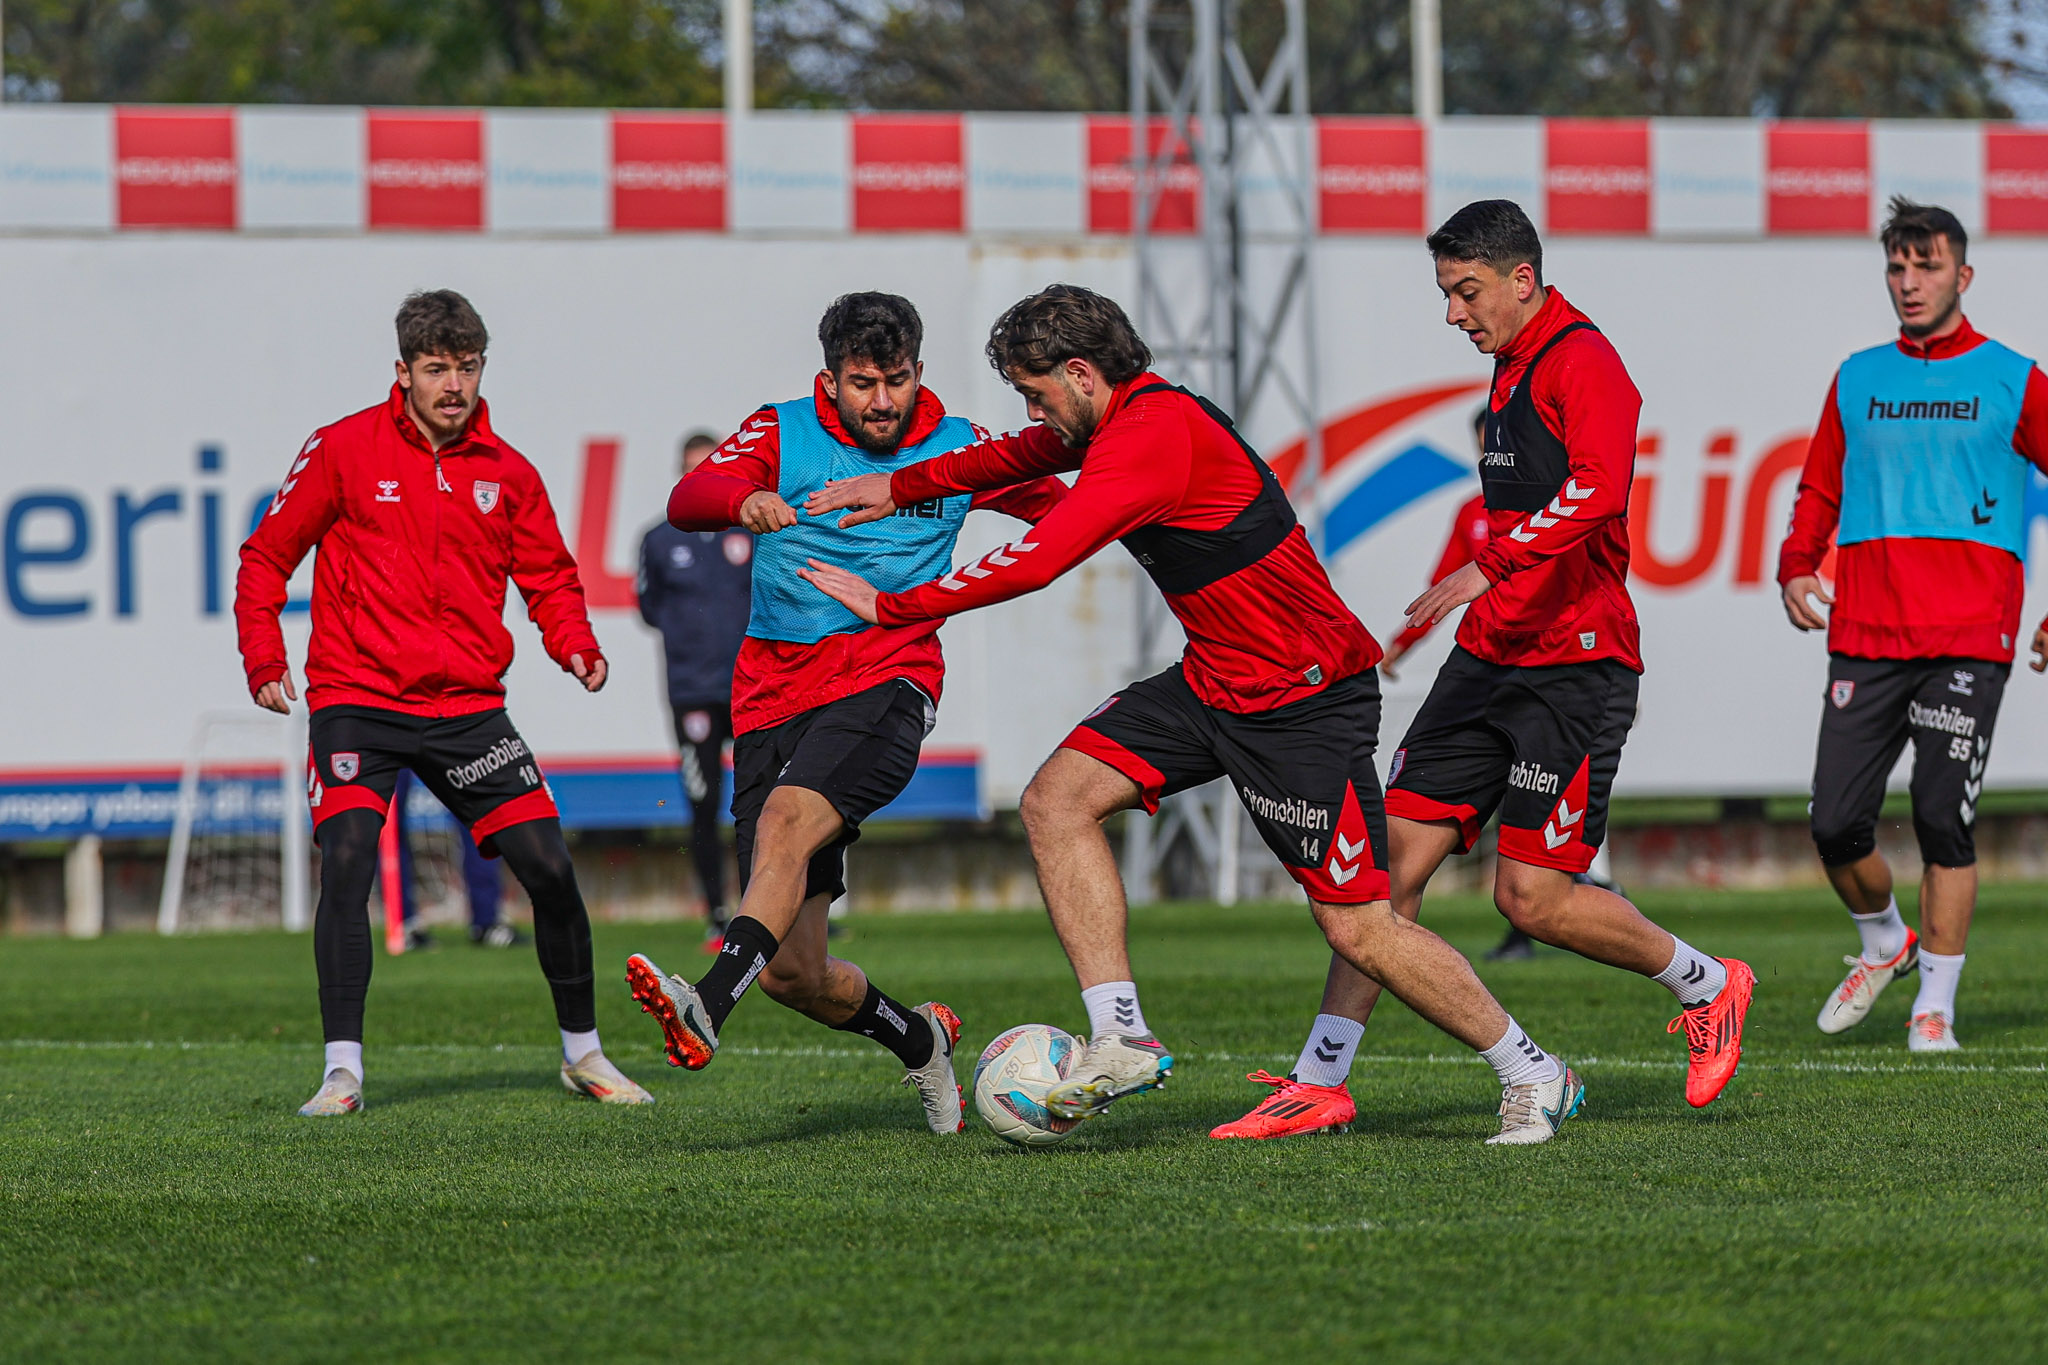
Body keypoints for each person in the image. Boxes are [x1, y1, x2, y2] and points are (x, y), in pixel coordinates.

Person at [805, 283, 1585, 1146]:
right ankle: (1122, 1036)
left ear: (1079, 372)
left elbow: (1040, 559)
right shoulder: (1118, 418)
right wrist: (897, 484)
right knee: (1056, 800)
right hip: (1216, 680)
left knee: (1360, 927)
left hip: (1302, 698)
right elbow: (1012, 458)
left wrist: (892, 608)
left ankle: (1532, 1070)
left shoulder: (1153, 438)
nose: (1032, 413)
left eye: (1036, 393)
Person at [1208, 201, 1752, 1141]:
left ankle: (1708, 981)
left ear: (1522, 280)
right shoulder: (1509, 367)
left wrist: (1488, 564)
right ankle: (1321, 1079)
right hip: (1488, 657)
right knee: (1372, 883)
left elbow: (1601, 488)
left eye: (1466, 292)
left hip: (1575, 666)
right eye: (1446, 293)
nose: (1455, 314)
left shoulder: (1583, 360)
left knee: (1529, 900)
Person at [622, 293, 1067, 1135]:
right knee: (796, 973)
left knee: (790, 818)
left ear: (919, 373)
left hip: (887, 676)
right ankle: (922, 1040)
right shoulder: (783, 430)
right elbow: (692, 493)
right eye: (863, 383)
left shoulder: (961, 445)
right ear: (830, 379)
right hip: (770, 695)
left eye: (896, 381)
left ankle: (707, 1004)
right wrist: (740, 502)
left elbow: (1063, 513)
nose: (882, 402)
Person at [236, 289, 650, 1115]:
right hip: (359, 697)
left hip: (467, 709)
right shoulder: (343, 449)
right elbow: (264, 556)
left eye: (466, 368)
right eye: (436, 369)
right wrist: (263, 657)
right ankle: (342, 1072)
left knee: (551, 870)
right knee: (348, 860)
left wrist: (574, 642)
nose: (452, 385)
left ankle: (583, 1054)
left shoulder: (510, 471)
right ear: (404, 371)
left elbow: (550, 576)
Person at [1778, 198, 2048, 1052]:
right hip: (1866, 630)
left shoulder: (2014, 377)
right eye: (1897, 267)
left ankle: (1935, 1004)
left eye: (1926, 266)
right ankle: (1884, 941)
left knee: (1939, 816)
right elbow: (1819, 488)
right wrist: (1796, 562)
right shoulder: (1858, 376)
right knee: (1833, 823)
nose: (1909, 282)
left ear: (1962, 276)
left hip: (1970, 634)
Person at [1381, 404, 1624, 966]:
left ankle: (1668, 950)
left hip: (1560, 678)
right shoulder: (1473, 513)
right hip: (1481, 672)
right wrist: (1396, 645)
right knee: (1387, 873)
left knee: (1533, 893)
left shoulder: (1573, 503)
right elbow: (1443, 590)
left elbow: (1601, 519)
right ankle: (1325, 1057)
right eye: (1485, 444)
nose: (1493, 453)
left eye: (1498, 441)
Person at [637, 430, 753, 951]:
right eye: (691, 469)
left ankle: (766, 914)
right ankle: (715, 912)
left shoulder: (751, 534)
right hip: (691, 693)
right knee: (703, 802)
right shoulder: (659, 540)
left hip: (753, 689)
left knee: (765, 803)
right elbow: (650, 608)